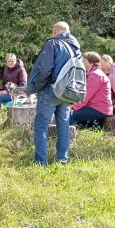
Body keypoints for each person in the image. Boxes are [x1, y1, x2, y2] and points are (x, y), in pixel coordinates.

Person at [27, 21, 81, 166]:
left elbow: (44, 70)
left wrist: (37, 87)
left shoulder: (52, 43)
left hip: (50, 91)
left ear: (54, 31)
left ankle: (41, 162)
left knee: (41, 125)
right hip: (67, 92)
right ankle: (62, 160)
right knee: (63, 127)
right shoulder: (76, 47)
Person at [70, 52, 112, 127]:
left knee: (70, 115)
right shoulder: (95, 73)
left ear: (91, 63)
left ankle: (64, 133)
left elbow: (86, 95)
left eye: (85, 60)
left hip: (99, 108)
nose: (82, 61)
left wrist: (74, 107)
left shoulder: (95, 75)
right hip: (97, 107)